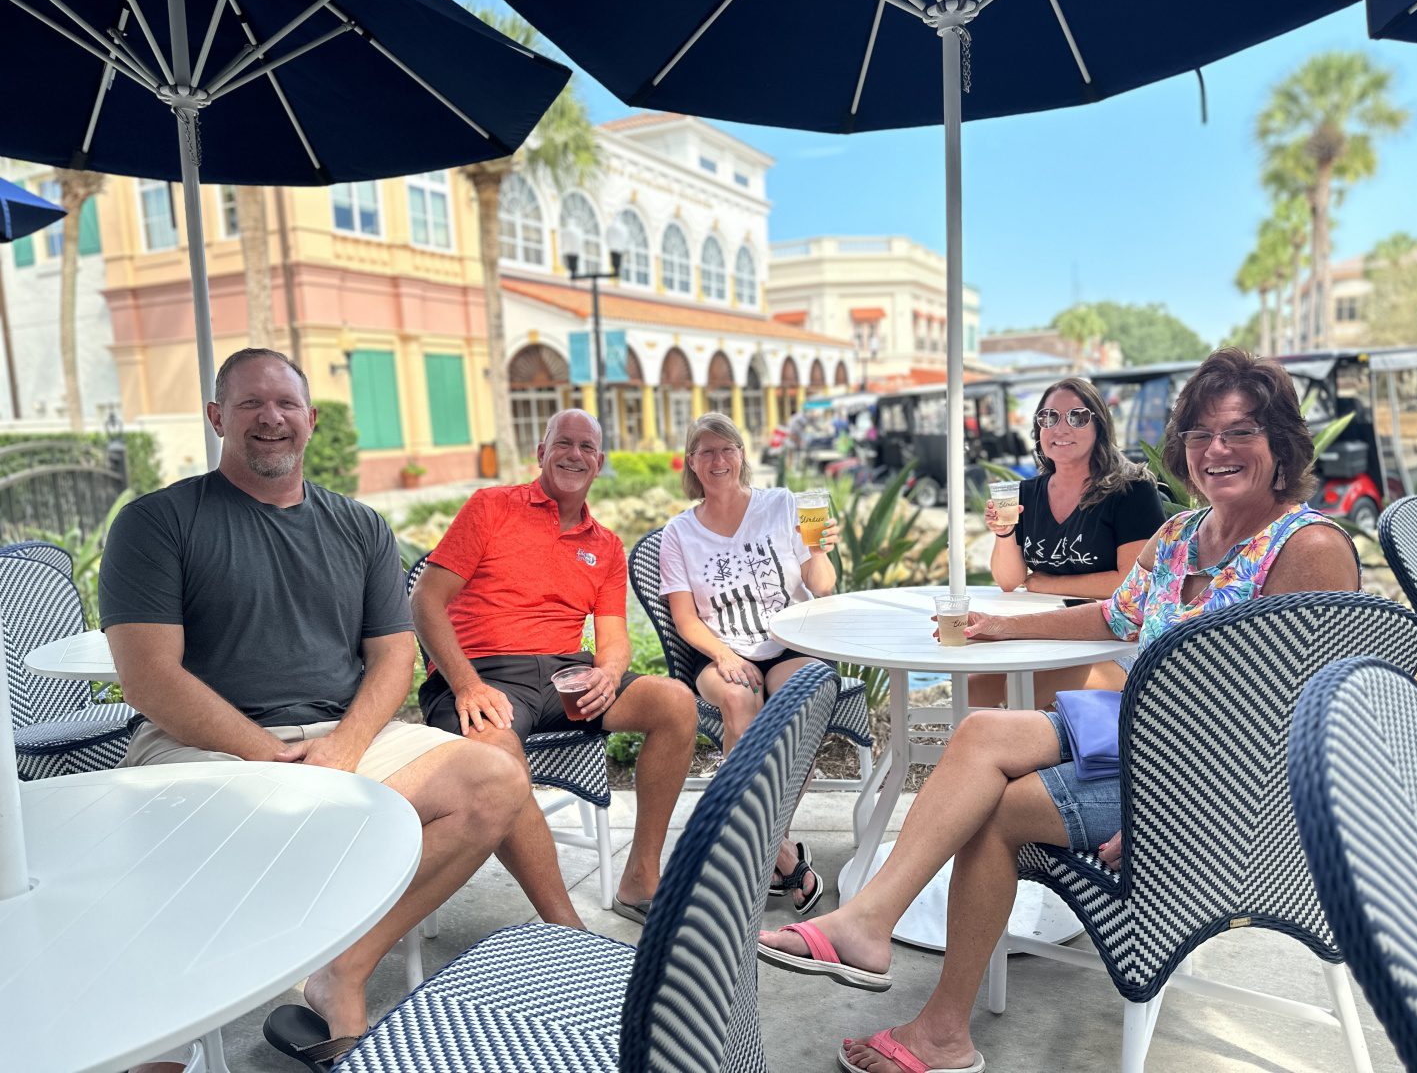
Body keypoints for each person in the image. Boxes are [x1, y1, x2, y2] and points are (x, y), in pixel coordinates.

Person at [757, 347, 1361, 1073]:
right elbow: (1115, 614)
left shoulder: (1309, 548)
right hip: (1140, 736)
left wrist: (1161, 819)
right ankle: (868, 922)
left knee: (1000, 810)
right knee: (981, 733)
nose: (1216, 450)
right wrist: (1003, 627)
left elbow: (1301, 720)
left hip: (1219, 789)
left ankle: (942, 1030)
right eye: (1201, 434)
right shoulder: (1182, 535)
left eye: (1240, 432)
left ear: (1282, 443)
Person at [100, 349, 528, 1072]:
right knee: (183, 861)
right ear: (217, 417)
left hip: (340, 737)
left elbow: (392, 657)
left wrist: (344, 749)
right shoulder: (157, 522)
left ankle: (342, 967)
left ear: (311, 418)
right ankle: (164, 1036)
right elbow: (149, 679)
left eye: (285, 404)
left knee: (495, 781)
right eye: (250, 404)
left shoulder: (359, 525)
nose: (270, 418)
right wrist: (270, 758)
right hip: (202, 747)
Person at [411, 409, 696, 928]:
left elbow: (613, 639)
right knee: (497, 760)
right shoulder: (491, 507)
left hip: (566, 676)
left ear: (599, 463)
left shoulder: (605, 545)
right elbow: (425, 601)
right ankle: (566, 927)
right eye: (563, 442)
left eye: (587, 447)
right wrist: (466, 685)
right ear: (541, 452)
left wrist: (608, 674)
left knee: (675, 703)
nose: (574, 454)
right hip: (486, 674)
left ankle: (641, 877)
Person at [658, 412, 839, 914]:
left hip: (790, 642)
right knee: (740, 699)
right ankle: (781, 855)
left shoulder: (783, 505)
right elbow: (685, 619)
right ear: (692, 463)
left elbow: (821, 587)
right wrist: (725, 655)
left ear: (741, 454)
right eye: (707, 451)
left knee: (804, 696)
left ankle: (758, 847)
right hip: (717, 650)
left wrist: (819, 549)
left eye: (727, 449)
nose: (719, 460)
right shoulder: (678, 533)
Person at [976, 377, 1166, 707]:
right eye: (1048, 417)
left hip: (1119, 643)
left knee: (1029, 691)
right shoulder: (1026, 494)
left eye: (1076, 417)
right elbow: (1009, 581)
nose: (1060, 428)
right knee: (974, 687)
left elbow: (1129, 583)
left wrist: (1047, 584)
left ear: (1099, 426)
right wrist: (1004, 533)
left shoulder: (1132, 491)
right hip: (1047, 633)